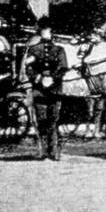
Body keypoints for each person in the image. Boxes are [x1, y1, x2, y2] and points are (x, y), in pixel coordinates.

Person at [25, 14, 68, 161]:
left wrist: (53, 78)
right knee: (42, 120)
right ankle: (43, 151)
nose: (46, 33)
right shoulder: (34, 50)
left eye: (48, 30)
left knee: (54, 120)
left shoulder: (59, 50)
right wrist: (39, 78)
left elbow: (63, 68)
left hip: (55, 90)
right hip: (39, 90)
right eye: (44, 30)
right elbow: (29, 68)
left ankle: (54, 151)